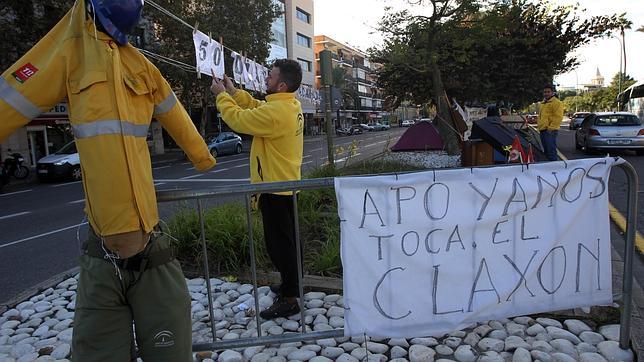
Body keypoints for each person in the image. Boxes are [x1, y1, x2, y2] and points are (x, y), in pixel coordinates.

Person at [0, 0, 216, 360]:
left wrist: (202, 157)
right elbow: (14, 95)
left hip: (150, 245)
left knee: (171, 351)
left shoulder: (141, 67)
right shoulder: (70, 55)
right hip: (103, 253)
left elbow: (175, 113)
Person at [210, 59, 304, 319]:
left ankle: (290, 300)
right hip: (286, 185)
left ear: (281, 84)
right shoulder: (288, 105)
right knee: (287, 243)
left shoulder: (276, 113)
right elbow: (255, 106)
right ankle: (290, 285)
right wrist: (233, 91)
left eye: (270, 77)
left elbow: (239, 120)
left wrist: (221, 98)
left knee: (280, 247)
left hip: (275, 188)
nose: (266, 79)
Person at [538, 85, 564, 161]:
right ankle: (548, 168)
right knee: (546, 151)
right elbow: (541, 116)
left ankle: (554, 169)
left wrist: (551, 128)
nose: (546, 93)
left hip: (550, 131)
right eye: (545, 92)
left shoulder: (557, 103)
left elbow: (558, 117)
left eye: (548, 92)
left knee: (551, 151)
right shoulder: (543, 103)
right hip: (542, 130)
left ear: (552, 93)